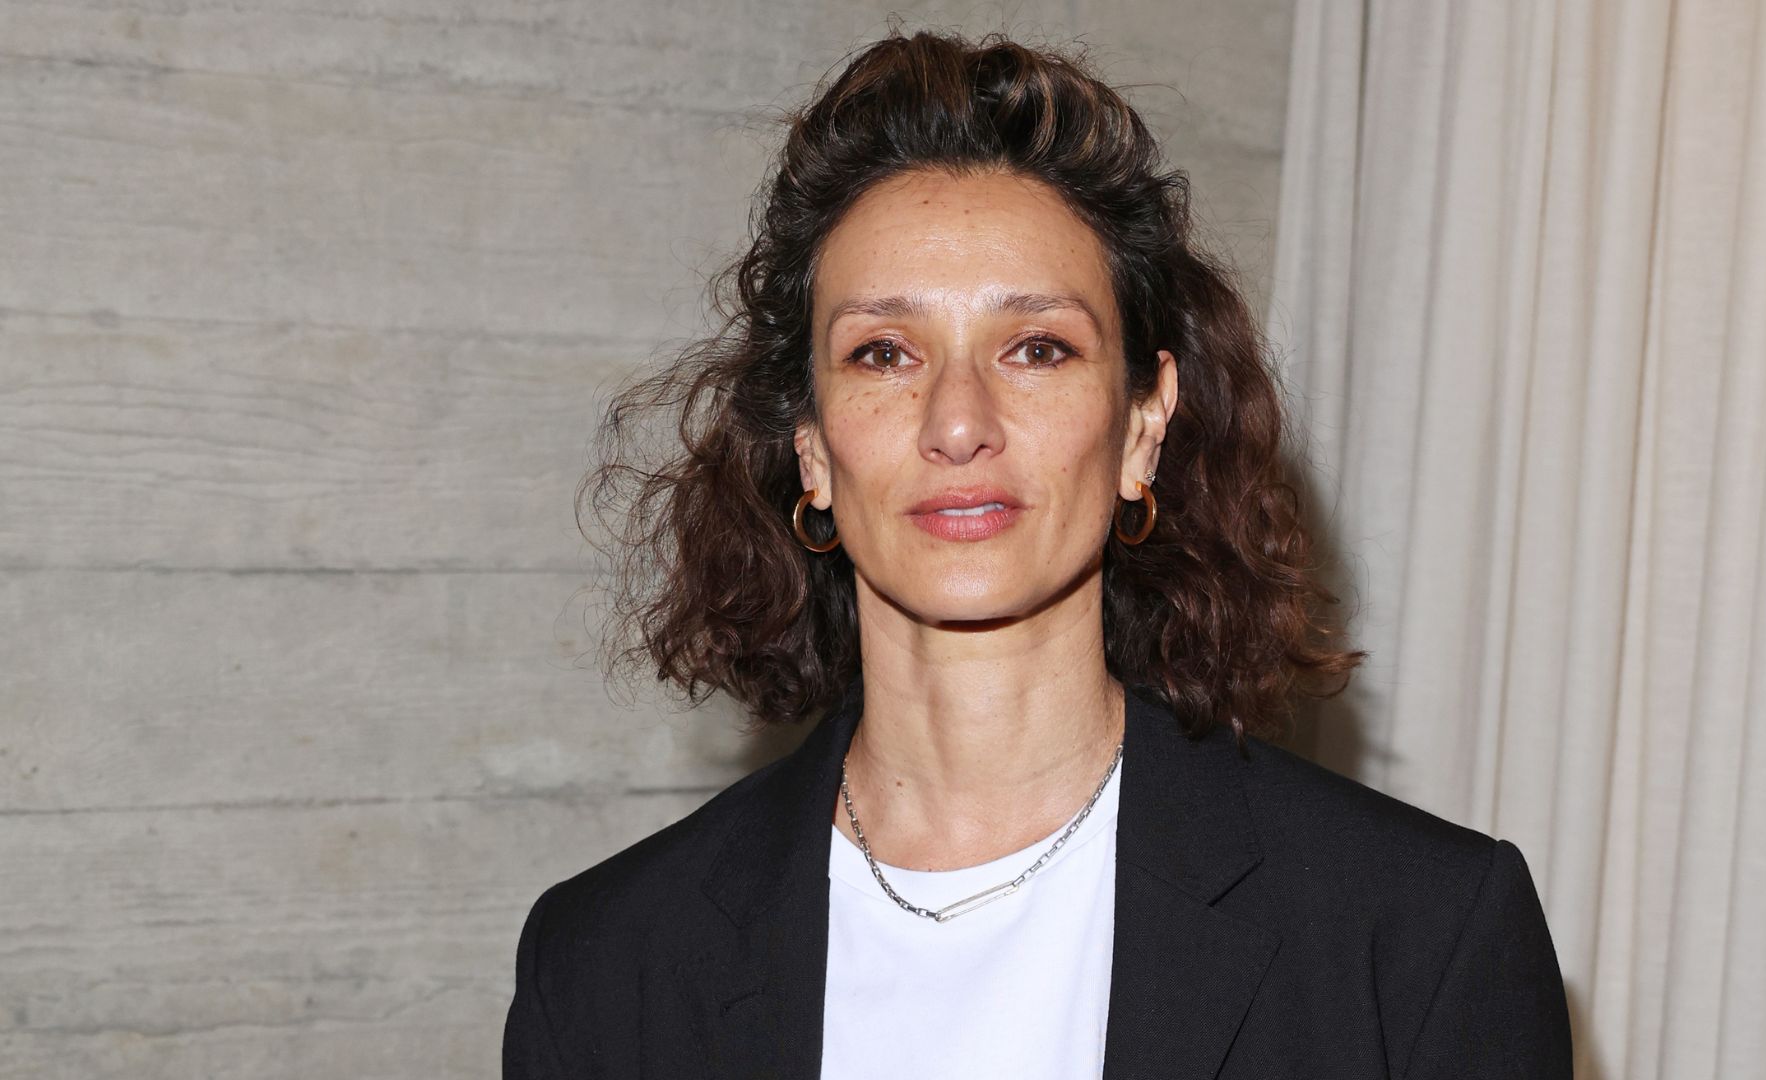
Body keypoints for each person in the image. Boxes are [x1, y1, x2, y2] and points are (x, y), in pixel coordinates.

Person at [503, 28, 1573, 1080]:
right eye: (882, 352)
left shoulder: (1419, 935)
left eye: (1038, 348)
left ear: (1144, 425)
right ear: (812, 447)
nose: (958, 422)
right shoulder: (605, 963)